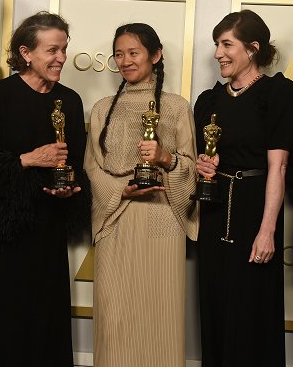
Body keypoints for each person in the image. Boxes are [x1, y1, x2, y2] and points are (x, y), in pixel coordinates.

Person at [0, 12, 90, 366]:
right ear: (25, 53)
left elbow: (74, 164)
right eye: (52, 50)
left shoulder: (71, 102)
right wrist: (28, 160)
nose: (61, 58)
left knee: (44, 320)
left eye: (63, 49)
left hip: (47, 232)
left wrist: (70, 189)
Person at [85, 23, 198, 367]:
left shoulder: (177, 107)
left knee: (159, 313)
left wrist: (165, 158)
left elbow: (191, 168)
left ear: (156, 55)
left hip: (163, 217)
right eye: (119, 54)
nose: (125, 61)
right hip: (116, 216)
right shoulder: (102, 107)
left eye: (133, 52)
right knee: (114, 313)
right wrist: (123, 189)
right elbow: (92, 166)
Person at [194, 10, 293, 366]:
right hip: (214, 211)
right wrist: (202, 165)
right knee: (216, 305)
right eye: (216, 44)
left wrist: (268, 230)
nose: (218, 53)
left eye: (227, 44)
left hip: (256, 211)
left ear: (253, 49)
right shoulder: (208, 101)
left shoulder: (278, 93)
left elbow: (279, 165)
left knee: (251, 309)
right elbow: (203, 158)